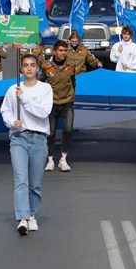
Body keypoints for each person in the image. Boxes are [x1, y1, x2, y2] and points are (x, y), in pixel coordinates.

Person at [0, 53, 53, 236]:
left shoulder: (45, 89)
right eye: (25, 65)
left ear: (38, 68)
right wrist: (11, 121)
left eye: (32, 65)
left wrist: (24, 98)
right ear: (21, 69)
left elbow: (44, 112)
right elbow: (5, 110)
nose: (29, 68)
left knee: (35, 183)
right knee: (21, 180)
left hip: (38, 139)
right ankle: (22, 218)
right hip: (19, 138)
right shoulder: (12, 89)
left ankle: (32, 215)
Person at [40, 41, 80, 172]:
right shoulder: (46, 66)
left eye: (65, 51)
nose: (63, 53)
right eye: (61, 51)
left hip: (67, 103)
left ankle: (63, 159)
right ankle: (50, 159)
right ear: (54, 51)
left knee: (68, 130)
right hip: (51, 104)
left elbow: (73, 81)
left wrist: (71, 95)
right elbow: (40, 83)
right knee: (50, 133)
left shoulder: (71, 65)